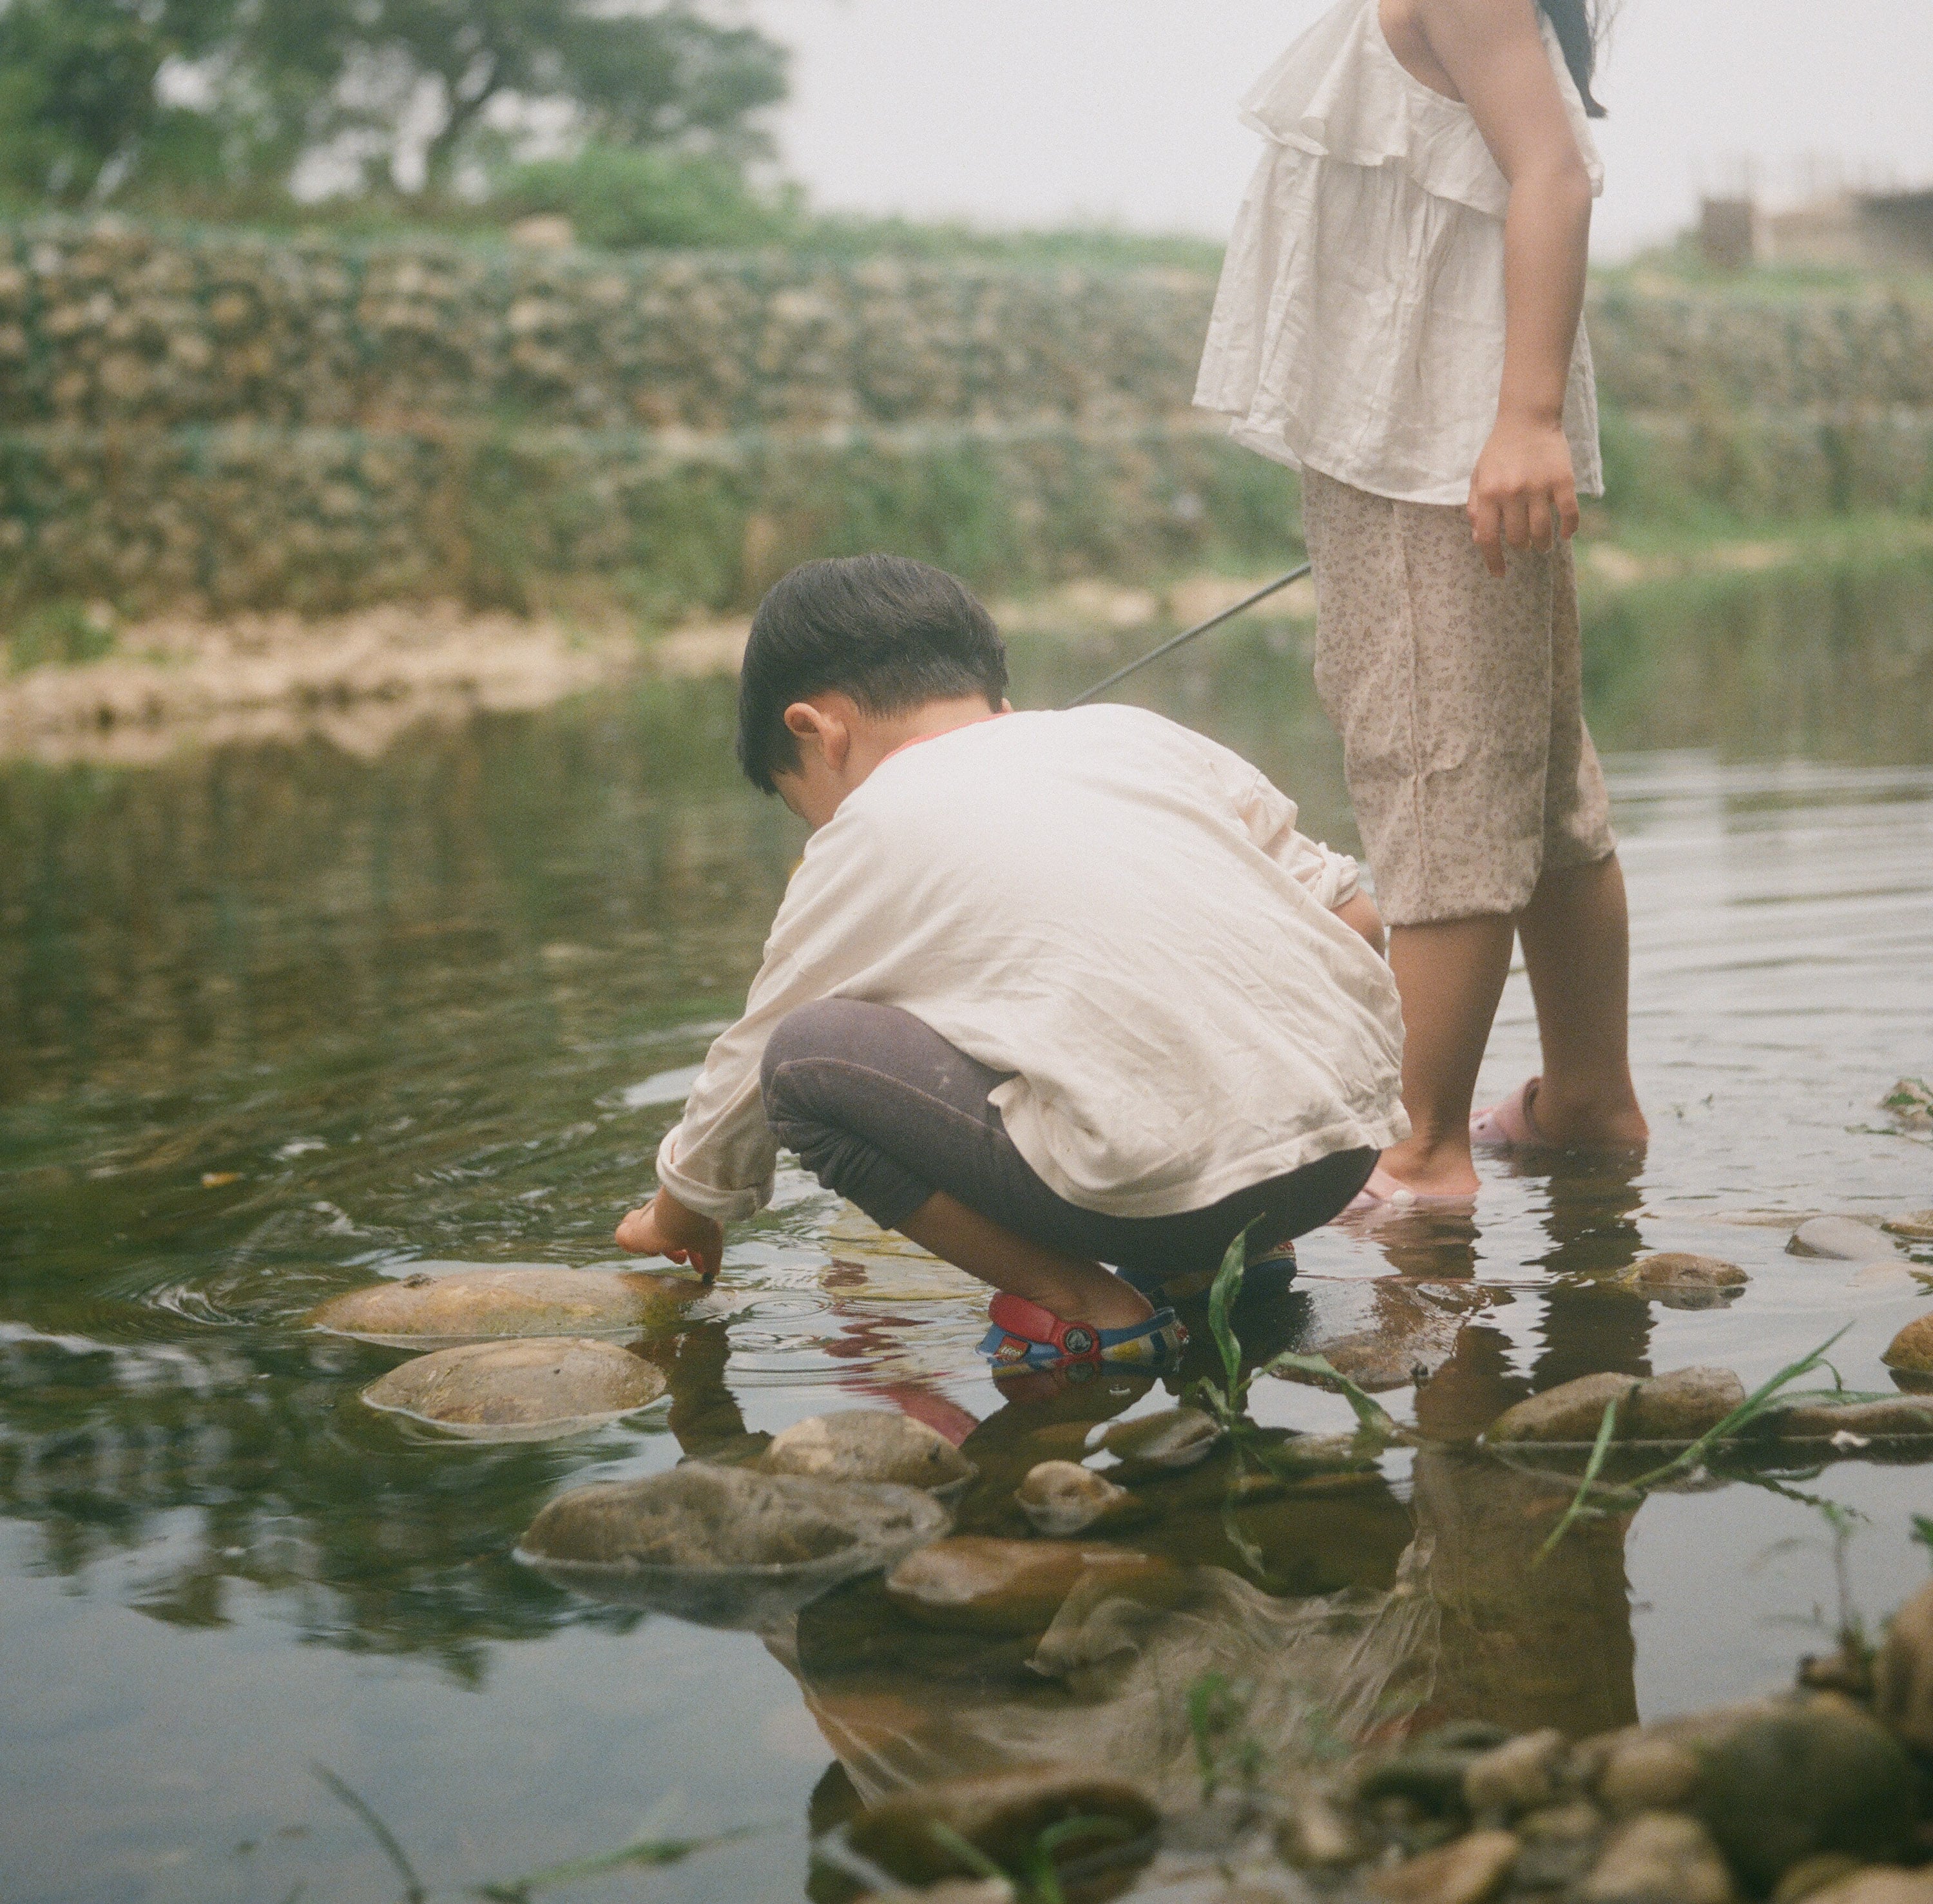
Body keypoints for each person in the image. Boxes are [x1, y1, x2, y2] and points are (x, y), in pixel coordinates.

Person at [615, 553, 1409, 1376]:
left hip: (1162, 1202)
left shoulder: (867, 831)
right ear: (994, 686)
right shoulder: (1137, 734)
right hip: (1340, 1159)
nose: (821, 826)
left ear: (819, 731)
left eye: (805, 803)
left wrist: (683, 1213)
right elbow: (1355, 917)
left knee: (804, 1062)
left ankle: (1082, 1306)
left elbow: (754, 1063)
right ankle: (1220, 1261)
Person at [1195, 0, 1647, 1207]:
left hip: (1434, 447)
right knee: (1535, 783)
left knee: (1438, 770)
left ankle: (1421, 1148)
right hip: (1417, 437)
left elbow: (1552, 172)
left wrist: (1527, 418)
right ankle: (1588, 1098)